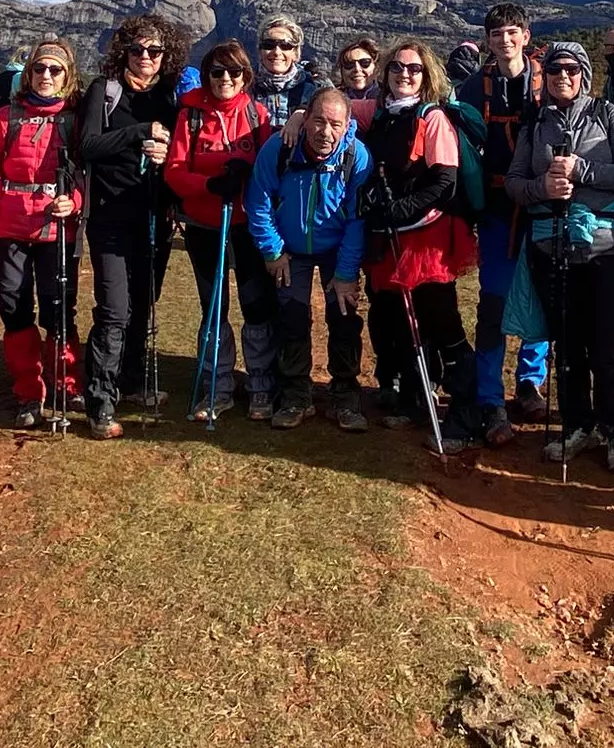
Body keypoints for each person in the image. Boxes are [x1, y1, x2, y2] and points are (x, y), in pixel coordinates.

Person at [505, 41, 614, 473]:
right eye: (553, 71)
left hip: (607, 247)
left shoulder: (608, 115)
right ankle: (577, 426)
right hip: (551, 244)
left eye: (570, 69)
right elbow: (514, 181)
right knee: (565, 345)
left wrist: (585, 172)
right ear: (544, 77)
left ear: (584, 74)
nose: (561, 76)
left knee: (605, 342)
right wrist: (541, 189)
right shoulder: (534, 125)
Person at [356, 39, 482, 450]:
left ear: (427, 75)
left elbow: (444, 181)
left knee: (440, 321)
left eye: (414, 69)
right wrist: (301, 114)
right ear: (385, 73)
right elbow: (334, 110)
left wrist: (402, 208)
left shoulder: (433, 118)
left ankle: (466, 413)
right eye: (397, 68)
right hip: (389, 235)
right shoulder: (377, 112)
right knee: (400, 322)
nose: (405, 75)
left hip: (426, 236)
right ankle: (414, 399)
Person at [79, 13, 188, 439]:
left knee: (144, 302)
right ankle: (100, 403)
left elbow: (176, 153)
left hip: (153, 217)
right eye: (138, 49)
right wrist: (137, 133)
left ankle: (131, 383)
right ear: (124, 51)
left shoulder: (168, 97)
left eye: (155, 51)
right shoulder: (104, 93)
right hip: (109, 218)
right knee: (113, 312)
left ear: (166, 58)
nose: (145, 57)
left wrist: (167, 169)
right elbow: (88, 146)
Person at [246, 86, 373, 429]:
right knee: (291, 318)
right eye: (318, 121)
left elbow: (358, 220)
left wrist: (347, 273)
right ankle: (295, 395)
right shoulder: (279, 148)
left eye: (335, 124)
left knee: (344, 317)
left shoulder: (357, 157)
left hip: (337, 251)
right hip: (291, 251)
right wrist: (272, 251)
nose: (325, 132)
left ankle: (345, 396)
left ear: (348, 126)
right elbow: (258, 201)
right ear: (305, 121)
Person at [164, 40, 277, 420]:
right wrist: (209, 185)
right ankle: (218, 384)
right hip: (203, 224)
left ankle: (261, 383)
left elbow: (269, 169)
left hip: (245, 224)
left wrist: (248, 175)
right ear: (207, 75)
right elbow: (175, 172)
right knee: (214, 304)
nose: (225, 79)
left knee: (254, 302)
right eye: (217, 72)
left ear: (246, 76)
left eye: (234, 72)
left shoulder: (256, 115)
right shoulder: (190, 116)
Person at [456, 2, 551, 443]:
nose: (505, 40)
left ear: (526, 36)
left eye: (513, 32)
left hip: (542, 208)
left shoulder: (549, 83)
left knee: (542, 297)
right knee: (493, 306)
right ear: (487, 41)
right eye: (497, 33)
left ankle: (530, 381)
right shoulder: (474, 89)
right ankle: (491, 398)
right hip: (496, 212)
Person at [0, 40, 85, 430]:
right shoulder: (5, 118)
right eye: (40, 68)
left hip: (57, 226)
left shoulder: (76, 120)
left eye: (55, 70)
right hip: (10, 224)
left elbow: (86, 172)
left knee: (59, 305)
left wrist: (74, 201)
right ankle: (29, 389)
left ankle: (67, 381)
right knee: (14, 305)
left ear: (67, 75)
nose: (46, 76)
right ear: (29, 72)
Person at [249, 14, 323, 128]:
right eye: (269, 45)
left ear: (295, 53)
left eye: (285, 46)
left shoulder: (314, 88)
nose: (277, 52)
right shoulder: (245, 85)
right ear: (260, 50)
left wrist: (302, 113)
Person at [335, 36, 381, 103]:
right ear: (342, 70)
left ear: (376, 68)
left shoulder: (390, 100)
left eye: (365, 62)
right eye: (349, 64)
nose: (357, 69)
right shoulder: (332, 100)